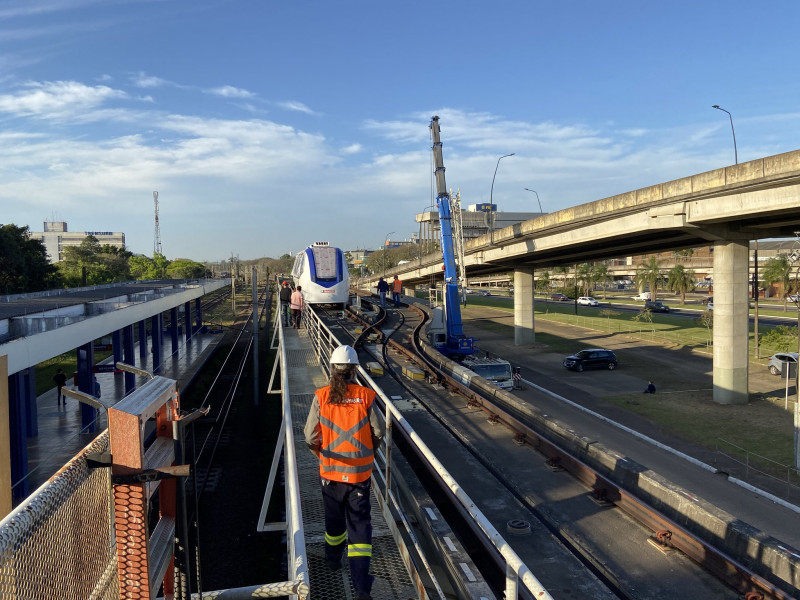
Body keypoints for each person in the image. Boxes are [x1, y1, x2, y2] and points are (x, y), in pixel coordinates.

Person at [304, 345, 384, 600]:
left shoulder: (322, 395)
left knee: (334, 523)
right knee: (360, 529)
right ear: (355, 369)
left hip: (330, 475)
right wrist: (369, 450)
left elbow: (310, 436)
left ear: (332, 368)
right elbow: (379, 431)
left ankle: (332, 559)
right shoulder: (366, 396)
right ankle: (361, 588)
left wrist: (320, 454)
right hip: (360, 477)